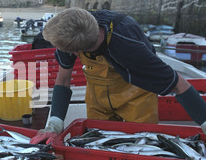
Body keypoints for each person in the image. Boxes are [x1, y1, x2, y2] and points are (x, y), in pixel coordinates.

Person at [31, 8, 206, 143]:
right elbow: (64, 78)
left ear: (77, 52)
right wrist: (54, 124)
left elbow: (178, 83)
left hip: (136, 95)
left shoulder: (130, 48)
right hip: (97, 97)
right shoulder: (75, 27)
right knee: (98, 141)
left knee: (141, 144)